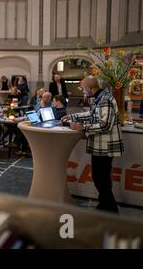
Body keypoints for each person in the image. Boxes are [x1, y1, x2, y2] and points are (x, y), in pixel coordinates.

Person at [62, 76, 124, 213]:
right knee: (100, 178)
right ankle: (105, 206)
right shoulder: (100, 97)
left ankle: (110, 209)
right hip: (101, 145)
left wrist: (82, 127)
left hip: (105, 145)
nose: (82, 90)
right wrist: (73, 117)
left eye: (83, 88)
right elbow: (92, 114)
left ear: (89, 88)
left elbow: (105, 125)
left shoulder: (105, 100)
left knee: (101, 179)